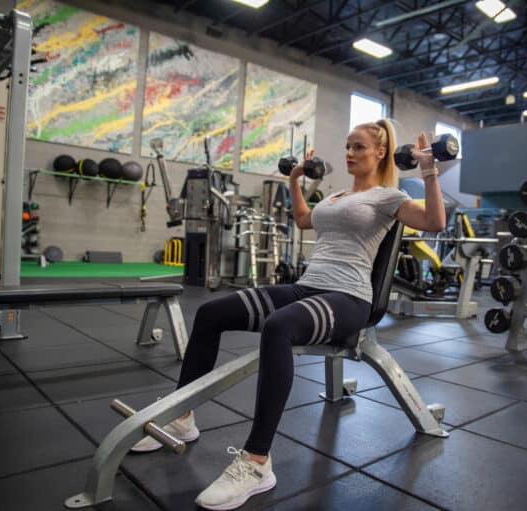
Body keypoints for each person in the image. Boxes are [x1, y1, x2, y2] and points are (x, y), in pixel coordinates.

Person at [131, 119, 446, 510]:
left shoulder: (388, 197)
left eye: (359, 147)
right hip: (307, 286)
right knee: (212, 313)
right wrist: (295, 180)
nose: (349, 153)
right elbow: (301, 219)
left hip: (348, 298)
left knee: (279, 328)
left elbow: (434, 221)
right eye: (347, 146)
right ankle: (182, 416)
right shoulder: (333, 198)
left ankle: (257, 461)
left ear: (381, 152)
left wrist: (430, 171)